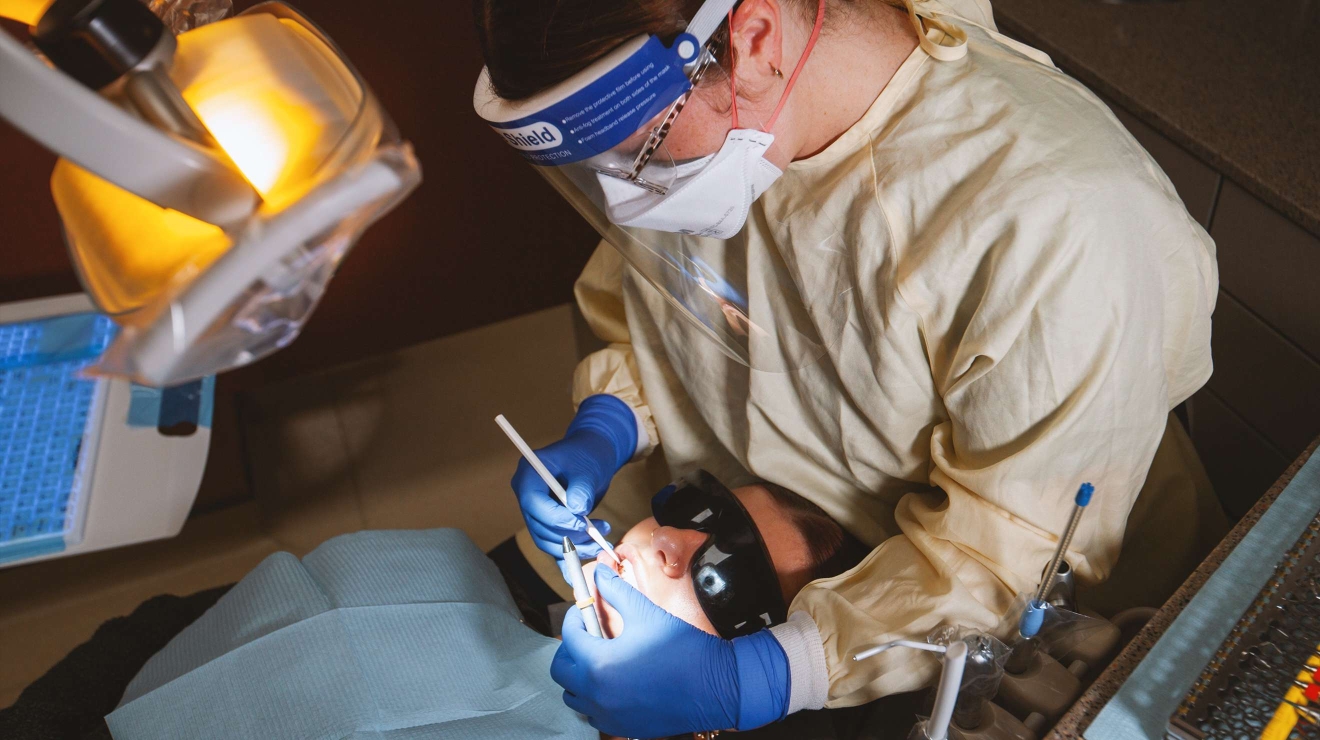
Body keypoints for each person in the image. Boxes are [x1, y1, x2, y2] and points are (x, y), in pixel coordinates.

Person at [475, 0, 1229, 736]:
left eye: (635, 153)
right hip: (784, 546)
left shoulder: (1054, 220)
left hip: (1033, 637)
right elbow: (674, 306)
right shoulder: (743, 132)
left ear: (756, 37)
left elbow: (1002, 559)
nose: (624, 197)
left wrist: (774, 675)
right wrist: (613, 418)